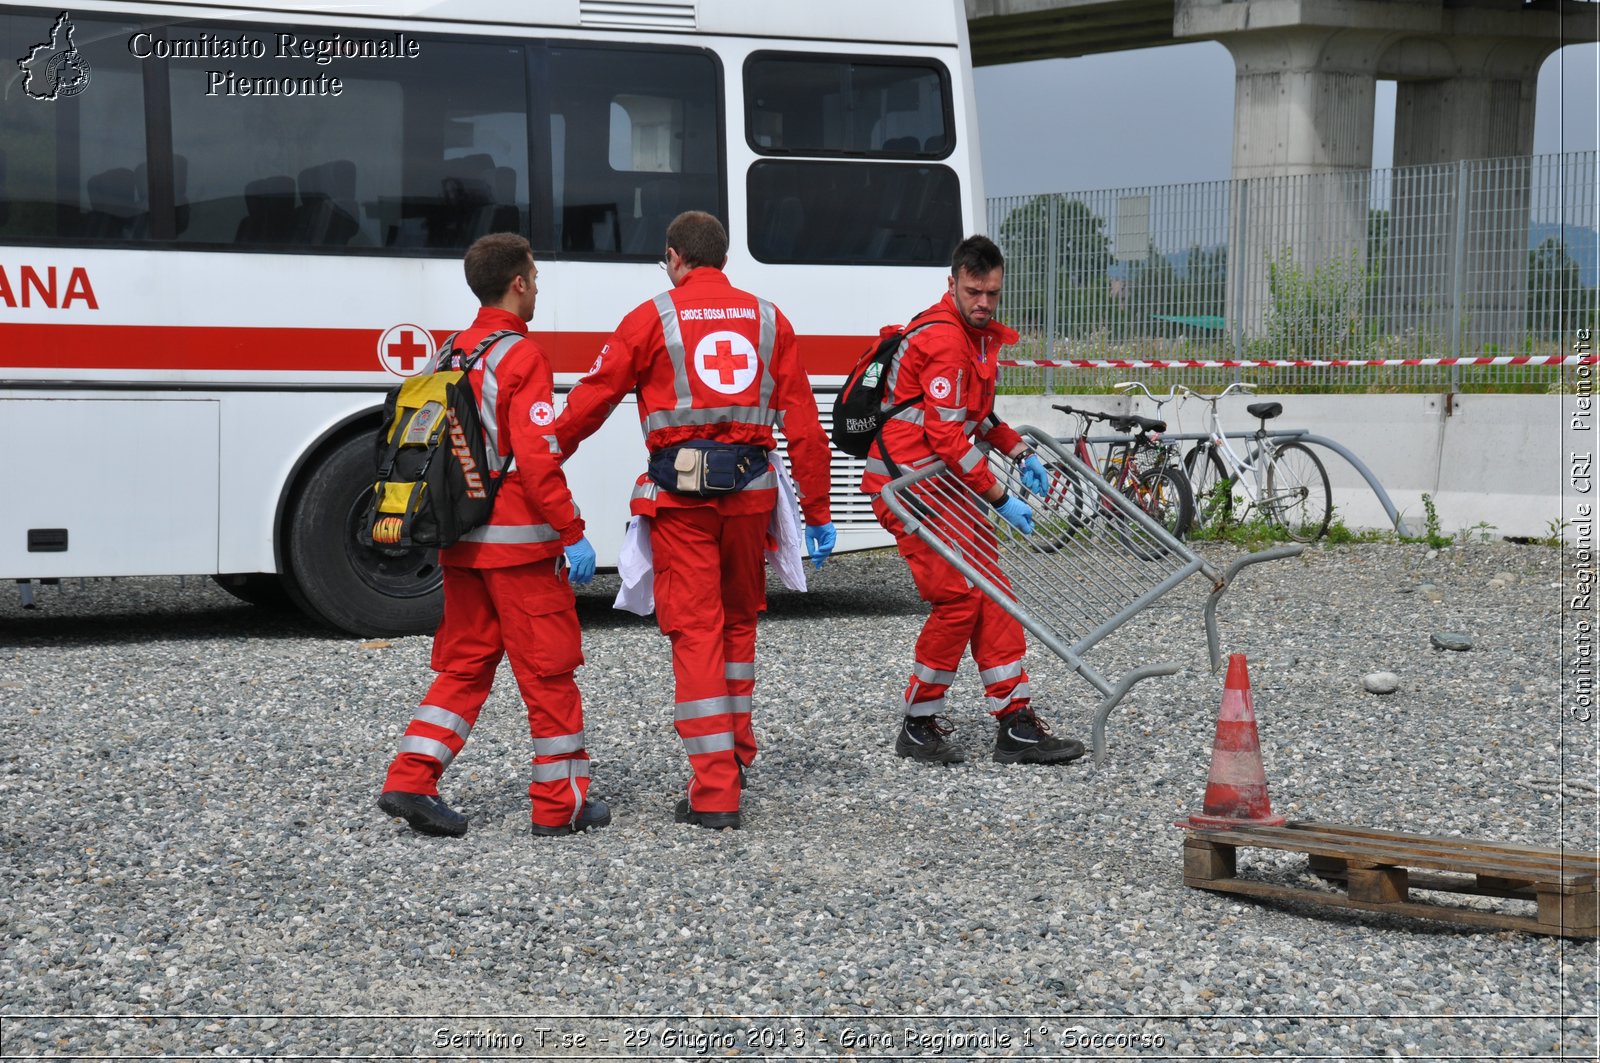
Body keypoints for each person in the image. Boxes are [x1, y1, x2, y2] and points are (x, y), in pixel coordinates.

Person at [554, 210, 836, 831]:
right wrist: (817, 510)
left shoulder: (650, 317)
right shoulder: (768, 318)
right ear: (725, 260)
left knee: (697, 631)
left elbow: (593, 398)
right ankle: (734, 755)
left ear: (676, 256)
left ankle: (714, 793)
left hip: (681, 502)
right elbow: (804, 423)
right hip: (752, 499)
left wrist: (543, 455)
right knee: (737, 625)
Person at [378, 232, 609, 839]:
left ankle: (411, 778)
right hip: (518, 546)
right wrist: (572, 530)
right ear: (520, 282)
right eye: (535, 276)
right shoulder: (522, 356)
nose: (538, 287)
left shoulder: (452, 350)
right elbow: (535, 457)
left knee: (464, 668)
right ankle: (559, 805)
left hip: (458, 539)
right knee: (547, 672)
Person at [861, 234, 1085, 766]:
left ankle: (1015, 719)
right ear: (953, 284)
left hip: (944, 488)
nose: (984, 302)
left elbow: (974, 416)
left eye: (992, 293)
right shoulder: (945, 340)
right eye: (973, 291)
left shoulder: (972, 337)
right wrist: (1001, 495)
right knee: (960, 597)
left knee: (994, 594)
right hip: (911, 491)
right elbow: (944, 437)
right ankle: (917, 722)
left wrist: (1017, 450)